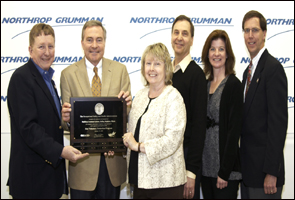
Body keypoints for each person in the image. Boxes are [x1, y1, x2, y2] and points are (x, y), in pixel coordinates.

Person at [6, 23, 89, 199]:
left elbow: (50, 123)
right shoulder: (21, 78)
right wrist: (61, 151)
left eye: (50, 46)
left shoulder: (48, 81)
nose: (47, 52)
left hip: (48, 177)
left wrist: (64, 117)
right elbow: (29, 128)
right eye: (41, 47)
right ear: (30, 49)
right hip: (31, 180)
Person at [60, 20, 131, 199]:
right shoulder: (68, 75)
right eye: (89, 40)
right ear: (82, 42)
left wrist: (126, 108)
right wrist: (67, 119)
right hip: (82, 166)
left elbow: (127, 117)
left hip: (111, 164)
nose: (94, 45)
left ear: (105, 43)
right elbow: (66, 123)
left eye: (99, 40)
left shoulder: (120, 70)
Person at [123, 42, 187, 199]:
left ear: (166, 68)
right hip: (140, 181)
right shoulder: (139, 97)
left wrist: (139, 146)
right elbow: (131, 134)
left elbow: (172, 141)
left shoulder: (174, 97)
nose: (151, 69)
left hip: (166, 185)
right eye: (148, 63)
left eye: (157, 64)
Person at [240, 10, 288, 199]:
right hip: (247, 173)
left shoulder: (273, 69)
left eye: (255, 30)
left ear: (265, 33)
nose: (250, 35)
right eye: (246, 30)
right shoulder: (247, 73)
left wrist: (271, 172)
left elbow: (278, 125)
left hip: (265, 177)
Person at [200, 30, 243, 199]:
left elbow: (234, 132)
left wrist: (224, 172)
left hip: (226, 172)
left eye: (221, 49)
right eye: (212, 49)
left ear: (227, 54)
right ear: (207, 53)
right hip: (205, 168)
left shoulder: (234, 85)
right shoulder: (204, 85)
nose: (216, 54)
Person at [170, 15, 207, 199]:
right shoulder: (165, 73)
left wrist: (191, 172)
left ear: (192, 40)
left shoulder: (196, 75)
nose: (179, 37)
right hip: (166, 161)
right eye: (176, 32)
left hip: (185, 161)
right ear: (171, 36)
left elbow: (199, 127)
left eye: (185, 34)